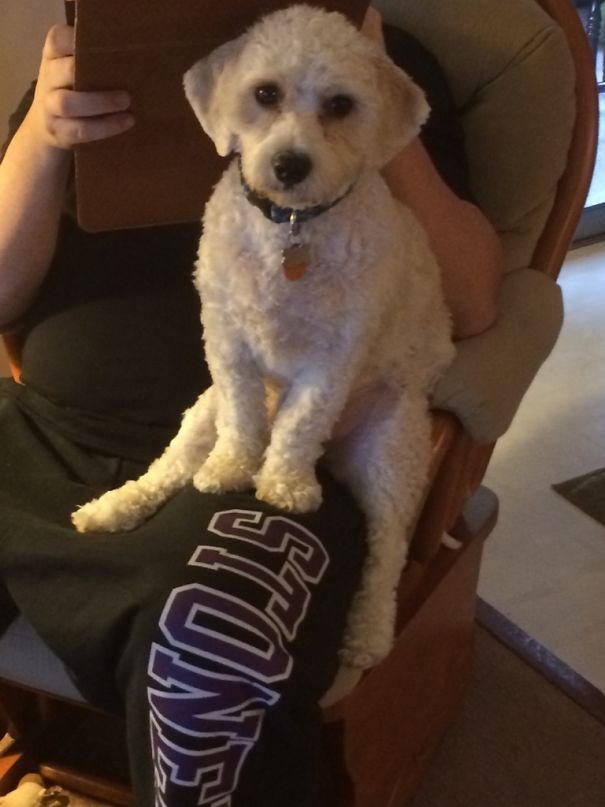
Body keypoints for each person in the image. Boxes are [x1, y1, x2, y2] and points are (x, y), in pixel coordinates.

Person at [0, 3, 503, 806]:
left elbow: (474, 298)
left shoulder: (374, 61)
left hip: (263, 454)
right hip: (48, 423)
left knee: (206, 634)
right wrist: (41, 141)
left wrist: (363, 108)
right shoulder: (101, 54)